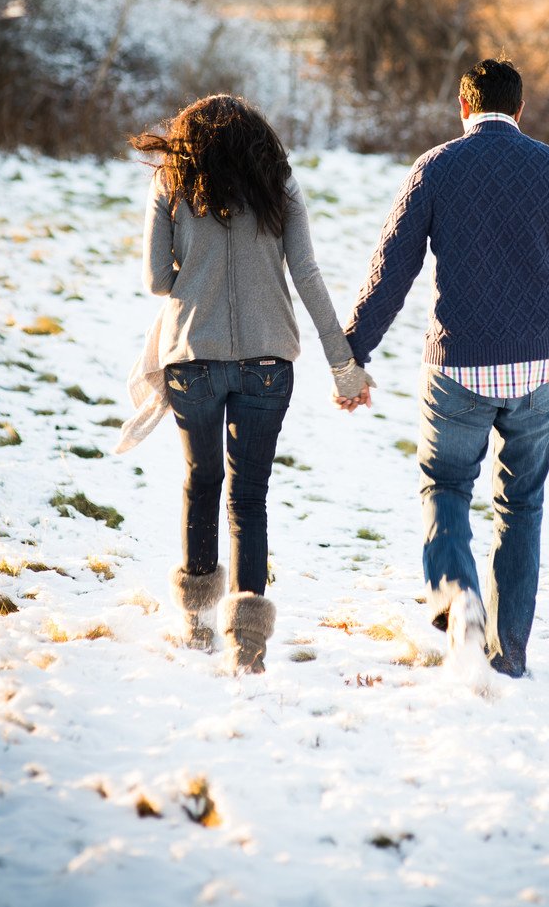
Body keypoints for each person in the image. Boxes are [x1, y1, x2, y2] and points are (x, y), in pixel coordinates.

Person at [338, 59, 549, 679]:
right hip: (541, 370)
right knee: (521, 506)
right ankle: (508, 652)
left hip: (458, 367)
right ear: (519, 112)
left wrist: (353, 353)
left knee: (446, 484)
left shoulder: (435, 168)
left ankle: (457, 595)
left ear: (464, 110)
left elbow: (391, 273)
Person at [130, 94, 371, 673]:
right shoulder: (279, 185)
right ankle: (248, 642)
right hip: (268, 364)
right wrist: (345, 366)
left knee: (202, 479)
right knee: (250, 496)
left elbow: (158, 280)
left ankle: (194, 620)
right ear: (258, 138)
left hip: (192, 358)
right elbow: (308, 276)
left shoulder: (172, 183)